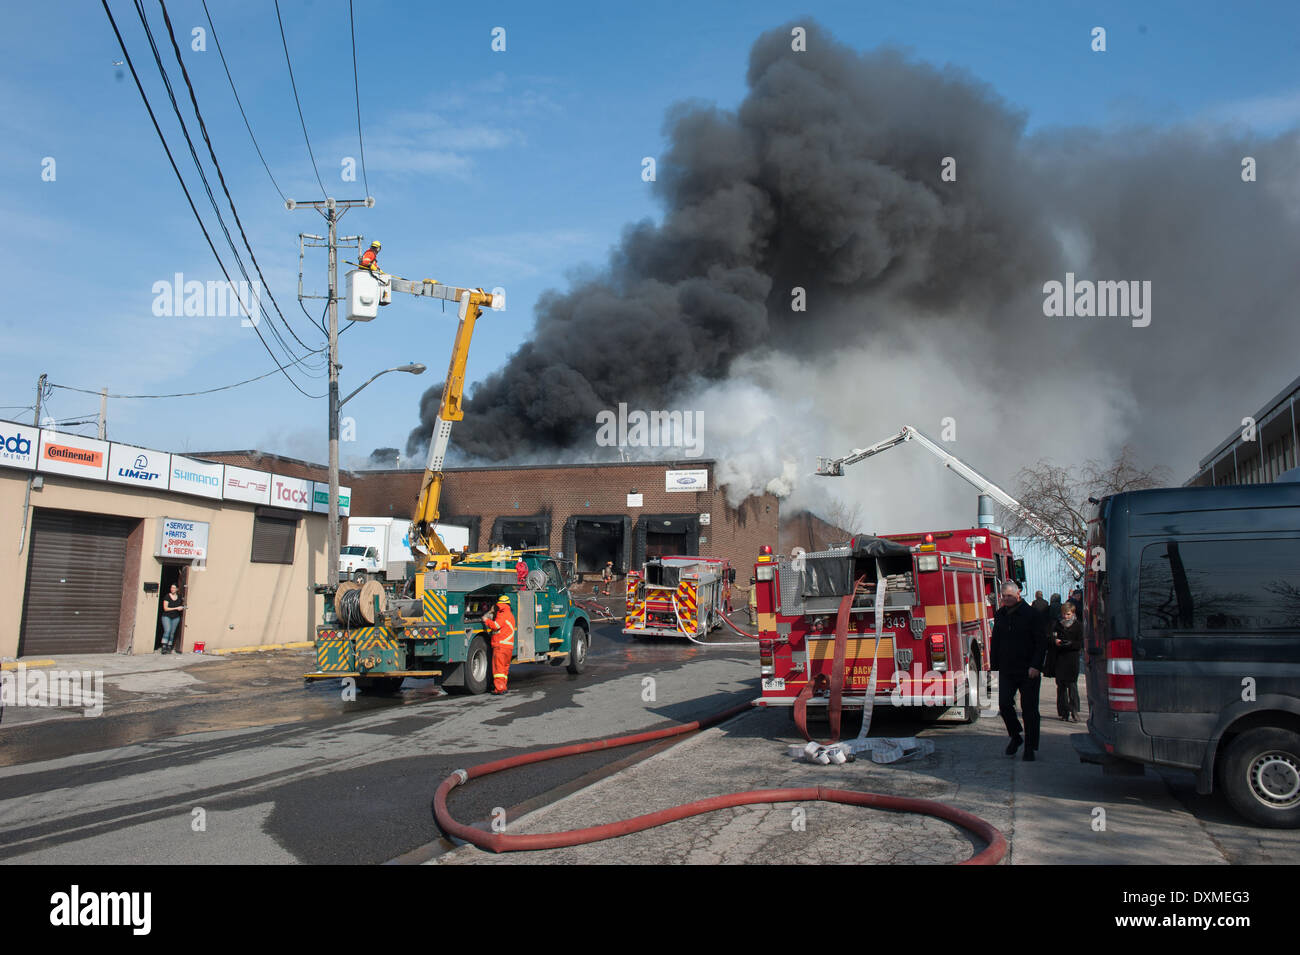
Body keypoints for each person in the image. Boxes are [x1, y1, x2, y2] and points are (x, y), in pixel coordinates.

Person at [991, 581, 1049, 761]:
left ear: (1018, 595)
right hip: (1007, 669)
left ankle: (1030, 748)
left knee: (1029, 710)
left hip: (1028, 670)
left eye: (1010, 596)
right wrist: (994, 668)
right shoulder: (1000, 615)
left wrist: (1036, 666)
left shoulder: (1032, 614)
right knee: (1004, 704)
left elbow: (1041, 642)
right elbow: (996, 643)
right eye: (1004, 596)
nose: (1006, 599)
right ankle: (1016, 736)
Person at [1050, 600, 1083, 721]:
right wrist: (1055, 641)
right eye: (1064, 614)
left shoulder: (1078, 625)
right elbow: (1050, 638)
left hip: (1072, 658)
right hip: (1060, 659)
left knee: (1072, 686)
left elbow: (1080, 643)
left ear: (1073, 613)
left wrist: (1070, 643)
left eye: (1068, 614)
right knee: (1061, 687)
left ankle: (1074, 710)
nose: (1065, 616)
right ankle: (1063, 712)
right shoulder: (1057, 625)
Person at [483, 595, 516, 694]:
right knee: (504, 669)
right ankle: (503, 686)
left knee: (498, 669)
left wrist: (486, 620)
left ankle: (499, 688)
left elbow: (495, 626)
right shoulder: (510, 615)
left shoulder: (502, 615)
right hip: (508, 647)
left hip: (500, 646)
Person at [160, 583, 186, 654]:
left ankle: (169, 646)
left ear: (177, 589)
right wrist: (176, 608)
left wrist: (181, 607)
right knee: (167, 630)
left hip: (176, 617)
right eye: (171, 588)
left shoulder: (179, 597)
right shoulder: (167, 596)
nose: (172, 589)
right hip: (166, 616)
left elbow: (182, 604)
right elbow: (165, 608)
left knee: (172, 632)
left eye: (174, 588)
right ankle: (164, 646)